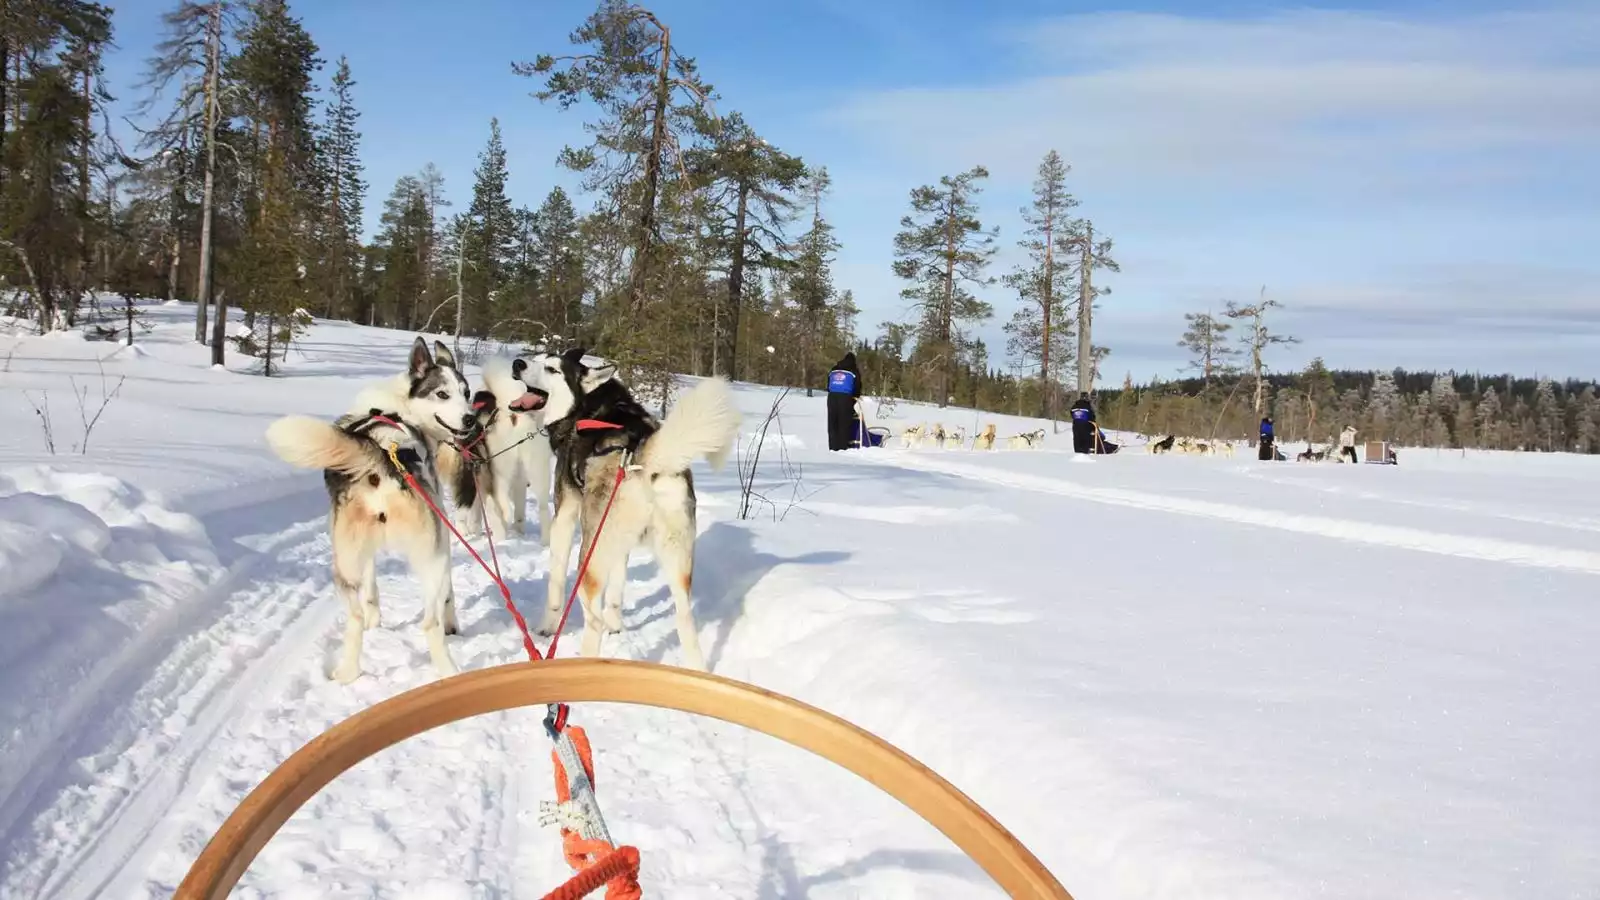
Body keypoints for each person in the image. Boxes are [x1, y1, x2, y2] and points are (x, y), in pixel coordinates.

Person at [825, 352, 863, 451]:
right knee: (844, 423)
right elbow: (857, 386)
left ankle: (832, 448)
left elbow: (828, 385)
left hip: (832, 397)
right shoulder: (854, 370)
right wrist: (854, 397)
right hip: (845, 398)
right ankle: (842, 448)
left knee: (832, 423)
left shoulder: (834, 369)